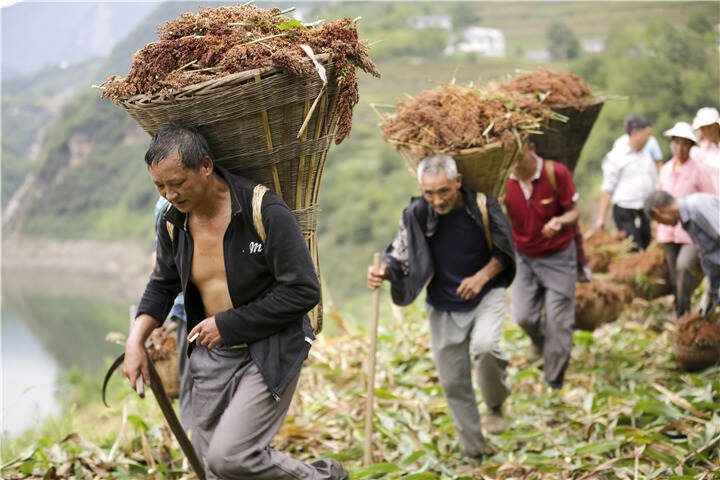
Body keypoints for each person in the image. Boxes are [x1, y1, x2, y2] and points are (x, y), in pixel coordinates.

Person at [122, 124, 347, 480]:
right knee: (213, 465)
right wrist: (135, 342)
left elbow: (304, 291)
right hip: (212, 356)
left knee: (231, 457)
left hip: (269, 348)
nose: (170, 194)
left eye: (178, 183)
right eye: (160, 186)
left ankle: (323, 477)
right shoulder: (171, 221)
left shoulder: (263, 210)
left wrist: (226, 325)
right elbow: (162, 284)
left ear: (207, 166)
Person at [367, 154, 516, 462]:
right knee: (453, 381)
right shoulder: (417, 212)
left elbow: (506, 250)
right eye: (429, 193)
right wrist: (383, 270)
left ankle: (496, 403)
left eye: (444, 191)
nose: (437, 200)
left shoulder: (483, 206)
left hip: (486, 294)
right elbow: (399, 251)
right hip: (443, 304)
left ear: (457, 182)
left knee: (486, 347)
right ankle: (474, 452)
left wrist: (481, 277)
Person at [505, 141, 580, 390]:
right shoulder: (504, 182)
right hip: (524, 257)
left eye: (519, 157)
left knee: (558, 323)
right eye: (510, 159)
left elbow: (574, 211)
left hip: (558, 256)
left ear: (531, 148)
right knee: (523, 316)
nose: (515, 165)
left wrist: (559, 221)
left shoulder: (555, 172)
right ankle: (539, 341)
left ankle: (553, 381)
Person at [656, 122, 716, 317]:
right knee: (674, 275)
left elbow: (710, 200)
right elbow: (658, 199)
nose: (680, 149)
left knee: (684, 267)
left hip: (690, 232)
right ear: (672, 145)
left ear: (690, 147)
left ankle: (683, 314)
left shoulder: (699, 170)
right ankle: (680, 308)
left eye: (685, 144)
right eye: (677, 144)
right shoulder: (665, 169)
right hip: (668, 231)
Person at [151, 196, 195, 446]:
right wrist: (157, 320)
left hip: (227, 312)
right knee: (191, 381)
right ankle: (195, 457)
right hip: (186, 310)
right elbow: (160, 262)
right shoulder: (165, 207)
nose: (171, 191)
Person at [645, 191, 720, 308]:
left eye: (659, 221)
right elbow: (711, 258)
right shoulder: (688, 221)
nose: (663, 225)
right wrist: (712, 292)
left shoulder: (698, 206)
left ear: (658, 212)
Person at [593, 115, 657, 251]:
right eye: (646, 135)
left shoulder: (647, 157)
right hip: (624, 210)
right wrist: (601, 218)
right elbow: (608, 188)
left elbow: (652, 185)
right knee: (633, 247)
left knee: (647, 245)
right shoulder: (616, 156)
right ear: (635, 133)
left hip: (644, 209)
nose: (649, 139)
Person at [691, 107, 720, 193]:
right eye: (703, 128)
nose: (706, 131)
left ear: (717, 126)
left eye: (709, 127)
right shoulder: (697, 152)